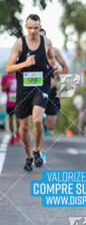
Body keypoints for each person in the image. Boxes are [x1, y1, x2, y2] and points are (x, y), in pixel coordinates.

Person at [5, 14, 58, 171]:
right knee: (25, 127)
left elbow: (52, 60)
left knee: (36, 120)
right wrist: (24, 63)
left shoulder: (47, 42)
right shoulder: (19, 43)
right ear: (26, 27)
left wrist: (54, 67)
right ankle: (28, 156)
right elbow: (9, 68)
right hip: (24, 89)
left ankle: (36, 150)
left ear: (40, 27)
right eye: (30, 28)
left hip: (42, 87)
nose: (33, 31)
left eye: (36, 28)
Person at [40, 28, 69, 134]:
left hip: (52, 89)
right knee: (36, 117)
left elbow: (66, 69)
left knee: (51, 126)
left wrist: (57, 80)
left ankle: (44, 120)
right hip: (38, 89)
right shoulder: (30, 51)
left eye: (43, 37)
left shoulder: (54, 51)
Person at [1, 71, 19, 144]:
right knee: (11, 120)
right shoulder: (5, 77)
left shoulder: (19, 76)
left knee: (18, 119)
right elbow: (2, 89)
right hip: (10, 102)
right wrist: (7, 85)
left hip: (19, 102)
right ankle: (13, 135)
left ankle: (17, 132)